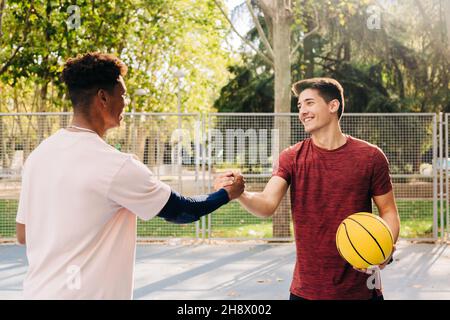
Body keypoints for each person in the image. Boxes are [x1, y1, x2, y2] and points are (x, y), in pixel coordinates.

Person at [15, 52, 244, 299]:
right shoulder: (115, 166)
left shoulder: (38, 156)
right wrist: (226, 193)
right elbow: (182, 211)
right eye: (123, 94)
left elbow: (23, 234)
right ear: (103, 97)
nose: (126, 102)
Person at [215, 78, 400, 300]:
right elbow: (266, 204)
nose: (302, 112)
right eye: (300, 106)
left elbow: (388, 211)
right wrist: (240, 193)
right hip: (307, 291)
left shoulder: (370, 157)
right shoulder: (291, 157)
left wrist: (385, 247)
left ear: (333, 106)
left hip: (362, 289)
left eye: (309, 103)